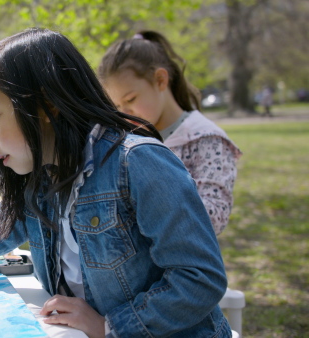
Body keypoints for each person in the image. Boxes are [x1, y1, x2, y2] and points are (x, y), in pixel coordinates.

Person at [0, 28, 232, 337]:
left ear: (45, 106)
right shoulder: (45, 177)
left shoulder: (139, 162)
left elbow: (199, 277)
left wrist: (110, 327)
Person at [97, 30, 242, 236]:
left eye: (130, 100)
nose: (125, 113)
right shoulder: (125, 140)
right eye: (117, 106)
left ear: (160, 80)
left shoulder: (206, 139)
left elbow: (214, 216)